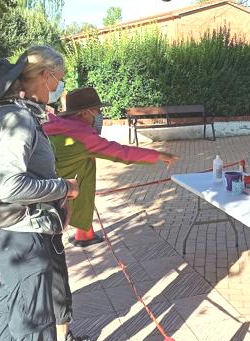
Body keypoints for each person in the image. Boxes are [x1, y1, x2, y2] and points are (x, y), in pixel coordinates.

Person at [0, 46, 79, 341]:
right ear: (42, 75)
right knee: (33, 329)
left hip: (10, 237)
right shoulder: (17, 118)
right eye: (58, 78)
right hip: (24, 240)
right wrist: (63, 187)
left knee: (9, 320)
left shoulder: (6, 114)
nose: (59, 86)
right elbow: (12, 185)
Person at [43, 87, 179, 235]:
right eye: (97, 111)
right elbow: (122, 153)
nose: (100, 115)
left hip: (43, 191)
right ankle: (83, 236)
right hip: (55, 202)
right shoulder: (83, 136)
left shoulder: (55, 126)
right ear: (84, 112)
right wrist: (159, 155)